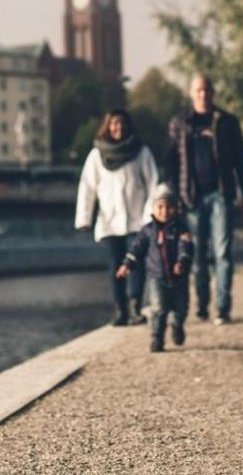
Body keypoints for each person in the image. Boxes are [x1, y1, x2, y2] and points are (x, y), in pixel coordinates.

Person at [167, 74, 243, 325]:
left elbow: (241, 158)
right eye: (198, 90)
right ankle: (203, 304)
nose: (203, 94)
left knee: (223, 252)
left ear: (213, 93)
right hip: (191, 198)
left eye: (207, 90)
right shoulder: (180, 124)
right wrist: (175, 195)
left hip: (221, 195)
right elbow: (171, 162)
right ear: (191, 94)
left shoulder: (227, 122)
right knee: (197, 255)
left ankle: (223, 308)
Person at [75, 109, 159, 326]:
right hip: (110, 221)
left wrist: (150, 214)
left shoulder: (141, 152)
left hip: (137, 220)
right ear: (107, 127)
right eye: (114, 124)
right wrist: (84, 217)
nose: (118, 128)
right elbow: (87, 187)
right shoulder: (96, 155)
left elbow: (152, 183)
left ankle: (134, 307)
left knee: (136, 264)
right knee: (116, 266)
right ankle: (120, 310)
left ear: (127, 125)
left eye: (121, 124)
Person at [116, 184, 194, 352]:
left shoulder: (181, 228)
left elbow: (186, 247)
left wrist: (182, 262)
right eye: (160, 207)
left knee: (181, 308)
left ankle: (177, 325)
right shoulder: (147, 231)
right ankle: (157, 338)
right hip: (156, 277)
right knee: (158, 309)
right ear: (153, 208)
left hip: (179, 278)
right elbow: (136, 249)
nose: (164, 211)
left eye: (169, 207)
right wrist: (127, 265)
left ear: (176, 209)